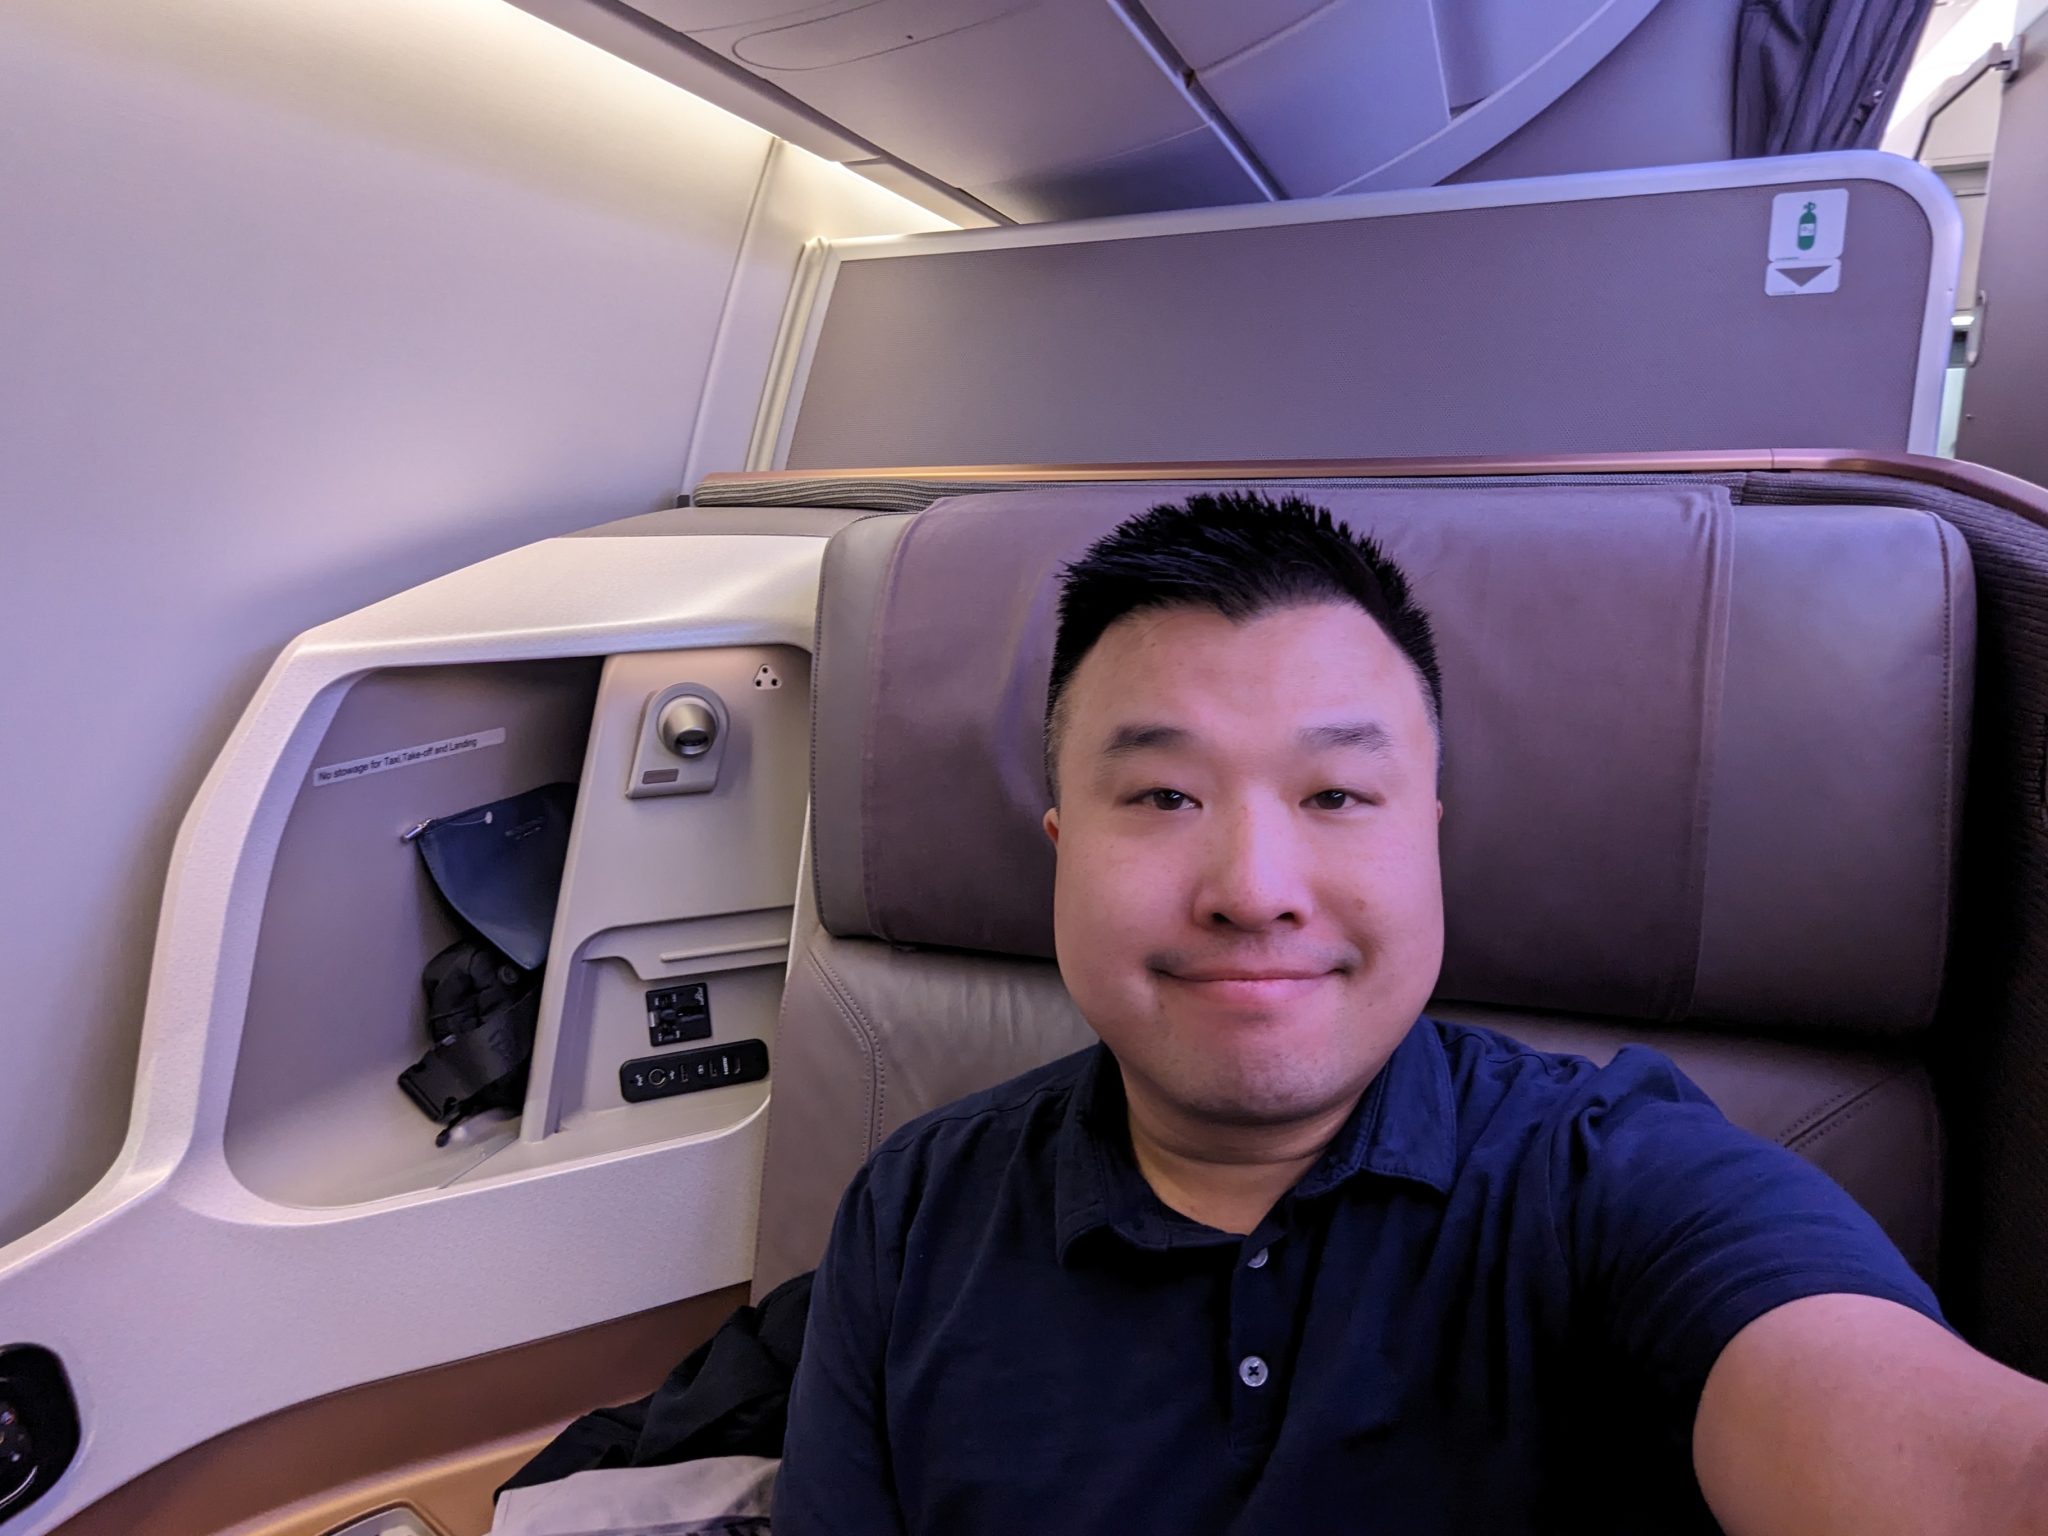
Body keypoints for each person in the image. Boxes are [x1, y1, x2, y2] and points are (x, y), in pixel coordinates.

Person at [776, 491, 2048, 1534]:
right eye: (1163, 797)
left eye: (1334, 796)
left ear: (1426, 837)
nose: (1252, 891)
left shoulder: (1614, 1179)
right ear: (1061, 848)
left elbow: (1949, 1460)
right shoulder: (914, 1210)